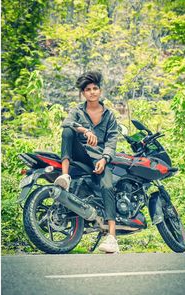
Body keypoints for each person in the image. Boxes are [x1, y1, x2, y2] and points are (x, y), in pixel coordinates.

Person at [54, 71, 119, 254]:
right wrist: (85, 131)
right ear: (83, 93)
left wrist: (105, 159)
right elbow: (67, 123)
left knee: (108, 187)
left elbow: (112, 140)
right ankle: (64, 175)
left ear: (100, 90)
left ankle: (112, 237)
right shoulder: (77, 111)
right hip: (81, 154)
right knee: (67, 130)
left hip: (100, 159)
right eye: (88, 89)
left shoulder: (109, 115)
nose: (92, 92)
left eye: (95, 88)